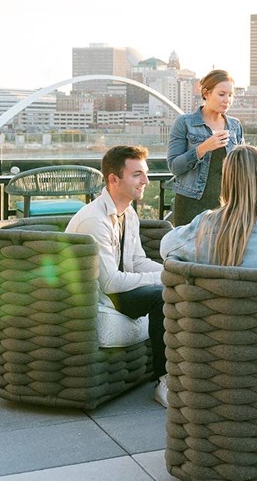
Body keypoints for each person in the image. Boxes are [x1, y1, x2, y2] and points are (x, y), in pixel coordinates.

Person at [65, 146, 169, 407]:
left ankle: (184, 372)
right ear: (113, 179)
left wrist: (171, 271)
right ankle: (164, 380)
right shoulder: (94, 220)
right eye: (137, 175)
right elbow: (110, 282)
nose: (145, 181)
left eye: (144, 174)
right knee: (162, 297)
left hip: (117, 291)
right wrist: (163, 280)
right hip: (97, 298)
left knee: (174, 288)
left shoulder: (129, 213)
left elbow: (136, 261)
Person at [167, 70, 244, 227]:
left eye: (231, 95)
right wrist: (203, 148)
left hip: (227, 203)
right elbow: (174, 166)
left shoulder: (235, 126)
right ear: (206, 93)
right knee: (191, 250)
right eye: (222, 94)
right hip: (191, 203)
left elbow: (243, 165)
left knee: (224, 250)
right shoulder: (184, 123)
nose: (227, 100)